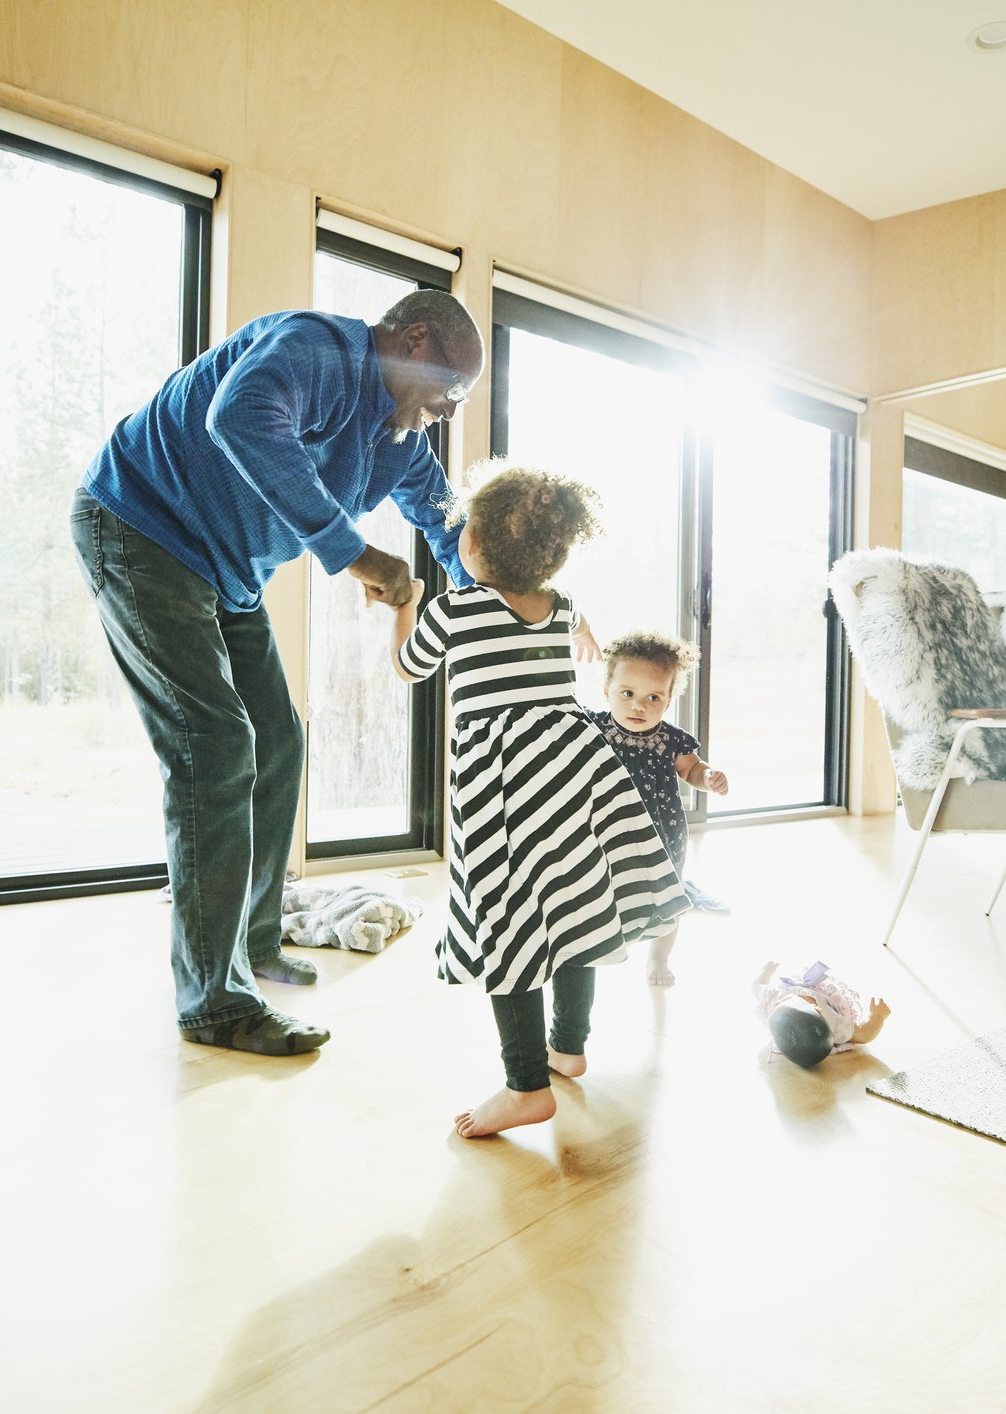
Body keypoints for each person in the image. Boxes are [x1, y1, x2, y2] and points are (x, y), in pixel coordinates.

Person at [71, 290, 482, 1056]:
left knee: (278, 739)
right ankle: (214, 1002)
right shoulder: (313, 347)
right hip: (139, 529)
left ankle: (254, 944)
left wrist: (493, 603)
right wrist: (356, 553)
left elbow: (445, 523)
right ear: (415, 340)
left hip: (227, 572)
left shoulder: (398, 437)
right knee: (214, 748)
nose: (451, 412)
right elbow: (241, 420)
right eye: (451, 390)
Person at [391, 463, 690, 1137]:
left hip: (502, 779)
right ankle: (568, 1046)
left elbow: (409, 665)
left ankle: (525, 1083)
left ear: (469, 545)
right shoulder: (557, 607)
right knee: (574, 905)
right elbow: (574, 614)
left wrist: (404, 605)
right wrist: (582, 626)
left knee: (509, 924)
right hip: (571, 766)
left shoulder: (453, 609)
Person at [589, 632, 727, 985]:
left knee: (668, 895)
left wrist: (707, 776)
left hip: (662, 832)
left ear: (667, 701)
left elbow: (691, 769)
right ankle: (602, 944)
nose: (639, 706)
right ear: (607, 692)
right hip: (609, 833)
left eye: (653, 697)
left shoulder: (671, 738)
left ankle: (659, 957)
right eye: (627, 694)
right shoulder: (595, 730)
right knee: (606, 890)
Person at [752, 960, 890, 1068]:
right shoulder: (834, 1024)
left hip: (793, 986)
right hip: (826, 996)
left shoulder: (773, 998)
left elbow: (756, 986)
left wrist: (765, 973)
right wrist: (877, 1016)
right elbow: (865, 1034)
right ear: (816, 1008)